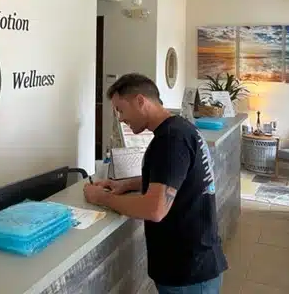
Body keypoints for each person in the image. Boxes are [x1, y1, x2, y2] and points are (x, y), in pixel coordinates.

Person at [83, 73, 228, 294]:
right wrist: (128, 185)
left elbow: (155, 209)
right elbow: (177, 177)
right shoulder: (179, 128)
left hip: (188, 271)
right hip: (196, 261)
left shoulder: (170, 140)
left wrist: (101, 197)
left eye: (121, 110)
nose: (120, 119)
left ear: (141, 101)